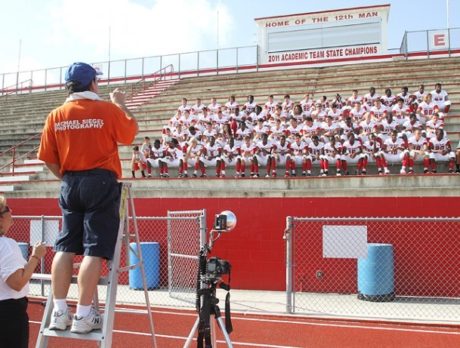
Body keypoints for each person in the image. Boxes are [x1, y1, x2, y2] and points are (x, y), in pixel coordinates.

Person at [37, 62, 138, 334]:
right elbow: (130, 134)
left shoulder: (56, 114)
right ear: (93, 83)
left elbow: (47, 158)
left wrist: (69, 179)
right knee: (94, 249)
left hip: (70, 182)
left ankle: (59, 311)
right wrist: (120, 103)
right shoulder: (106, 109)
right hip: (101, 181)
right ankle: (83, 314)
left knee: (65, 246)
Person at [0, 196, 47, 348]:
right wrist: (36, 256)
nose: (12, 216)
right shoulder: (6, 245)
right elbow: (17, 282)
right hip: (8, 313)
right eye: (8, 210)